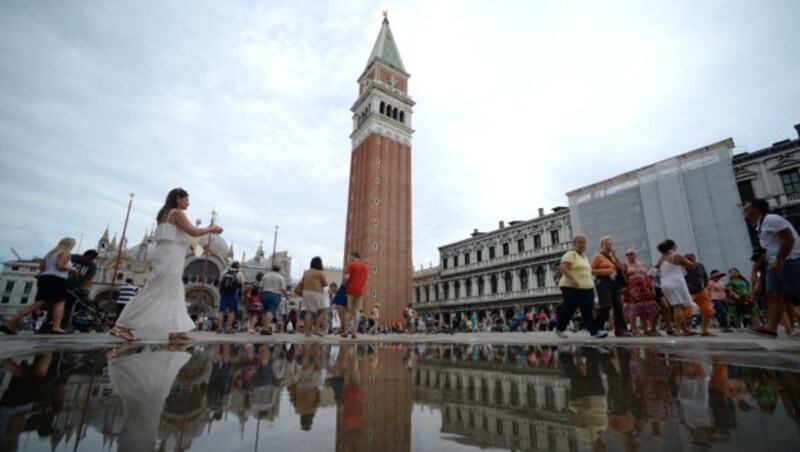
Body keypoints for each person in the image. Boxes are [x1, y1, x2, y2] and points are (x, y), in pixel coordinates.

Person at [111, 188, 223, 342]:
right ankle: (121, 326)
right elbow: (193, 231)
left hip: (169, 253)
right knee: (154, 290)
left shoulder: (164, 214)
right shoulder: (176, 213)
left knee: (175, 291)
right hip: (170, 255)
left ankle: (177, 329)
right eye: (186, 199)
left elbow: (184, 235)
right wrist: (212, 229)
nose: (188, 203)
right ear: (177, 198)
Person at [743, 199, 800, 338]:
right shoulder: (759, 225)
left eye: (746, 209)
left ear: (756, 209)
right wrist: (755, 274)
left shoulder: (771, 219)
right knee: (773, 295)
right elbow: (765, 250)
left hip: (788, 260)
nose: (743, 212)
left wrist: (780, 260)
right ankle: (771, 329)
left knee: (797, 294)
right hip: (774, 264)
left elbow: (789, 239)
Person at [1, 238, 78, 335]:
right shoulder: (66, 253)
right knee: (60, 303)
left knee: (37, 304)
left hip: (44, 279)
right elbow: (59, 266)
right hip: (57, 280)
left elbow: (41, 268)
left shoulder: (49, 255)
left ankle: (9, 322)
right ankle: (56, 327)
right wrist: (72, 269)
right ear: (70, 245)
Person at [554, 235, 608, 339]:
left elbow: (589, 271)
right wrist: (573, 279)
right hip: (571, 286)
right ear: (574, 244)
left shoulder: (585, 258)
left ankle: (594, 331)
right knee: (569, 308)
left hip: (587, 288)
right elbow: (563, 267)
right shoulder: (570, 254)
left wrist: (603, 271)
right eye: (579, 242)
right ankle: (559, 328)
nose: (582, 244)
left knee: (588, 310)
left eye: (584, 242)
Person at [591, 236, 630, 337]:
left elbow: (622, 268)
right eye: (606, 244)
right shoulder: (598, 256)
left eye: (610, 244)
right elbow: (591, 270)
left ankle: (621, 330)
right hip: (603, 281)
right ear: (602, 245)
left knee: (618, 305)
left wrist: (615, 256)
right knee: (606, 305)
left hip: (615, 282)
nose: (608, 246)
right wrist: (603, 271)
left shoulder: (612, 256)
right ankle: (596, 328)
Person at [655, 239, 695, 336]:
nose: (677, 246)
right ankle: (678, 330)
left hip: (665, 283)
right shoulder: (676, 256)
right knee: (678, 307)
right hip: (675, 282)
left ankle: (685, 329)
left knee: (677, 306)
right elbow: (691, 266)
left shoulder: (661, 258)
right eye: (675, 245)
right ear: (672, 246)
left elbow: (656, 267)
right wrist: (689, 261)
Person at [621, 249, 660, 336]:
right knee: (633, 310)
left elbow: (646, 277)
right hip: (631, 289)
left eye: (631, 254)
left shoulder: (641, 264)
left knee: (643, 309)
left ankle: (646, 329)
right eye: (627, 254)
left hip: (644, 289)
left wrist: (651, 288)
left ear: (636, 254)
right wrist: (623, 288)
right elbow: (622, 278)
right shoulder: (625, 265)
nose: (629, 256)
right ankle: (634, 329)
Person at [684, 253, 716, 336]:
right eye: (688, 260)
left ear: (695, 260)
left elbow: (705, 276)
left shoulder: (700, 266)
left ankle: (705, 330)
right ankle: (686, 330)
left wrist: (706, 286)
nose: (690, 263)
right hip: (688, 292)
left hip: (701, 291)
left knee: (708, 310)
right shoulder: (681, 268)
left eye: (691, 260)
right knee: (687, 311)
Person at [341, 252, 368, 339]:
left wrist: (344, 283)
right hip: (360, 291)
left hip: (350, 290)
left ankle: (345, 332)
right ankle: (354, 333)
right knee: (357, 311)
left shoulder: (352, 265)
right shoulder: (365, 267)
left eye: (349, 257)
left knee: (348, 311)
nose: (348, 259)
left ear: (354, 257)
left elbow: (346, 277)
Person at [299, 257, 328, 337]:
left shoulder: (306, 272)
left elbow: (302, 281)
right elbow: (325, 283)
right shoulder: (320, 273)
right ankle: (317, 330)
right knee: (320, 311)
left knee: (308, 311)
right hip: (317, 292)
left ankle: (307, 331)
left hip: (306, 292)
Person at [260, 265, 289, 336]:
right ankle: (265, 329)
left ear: (272, 268)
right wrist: (287, 296)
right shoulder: (280, 277)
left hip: (265, 294)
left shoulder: (265, 276)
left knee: (265, 312)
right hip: (274, 295)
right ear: (279, 270)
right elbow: (283, 289)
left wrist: (260, 295)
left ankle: (264, 327)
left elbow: (260, 287)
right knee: (271, 312)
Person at [217, 261, 244, 334]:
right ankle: (228, 328)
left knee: (221, 310)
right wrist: (241, 295)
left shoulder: (225, 272)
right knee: (232, 311)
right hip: (233, 293)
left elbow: (220, 282)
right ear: (238, 267)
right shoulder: (239, 273)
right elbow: (241, 285)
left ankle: (219, 328)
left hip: (224, 293)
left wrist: (220, 291)